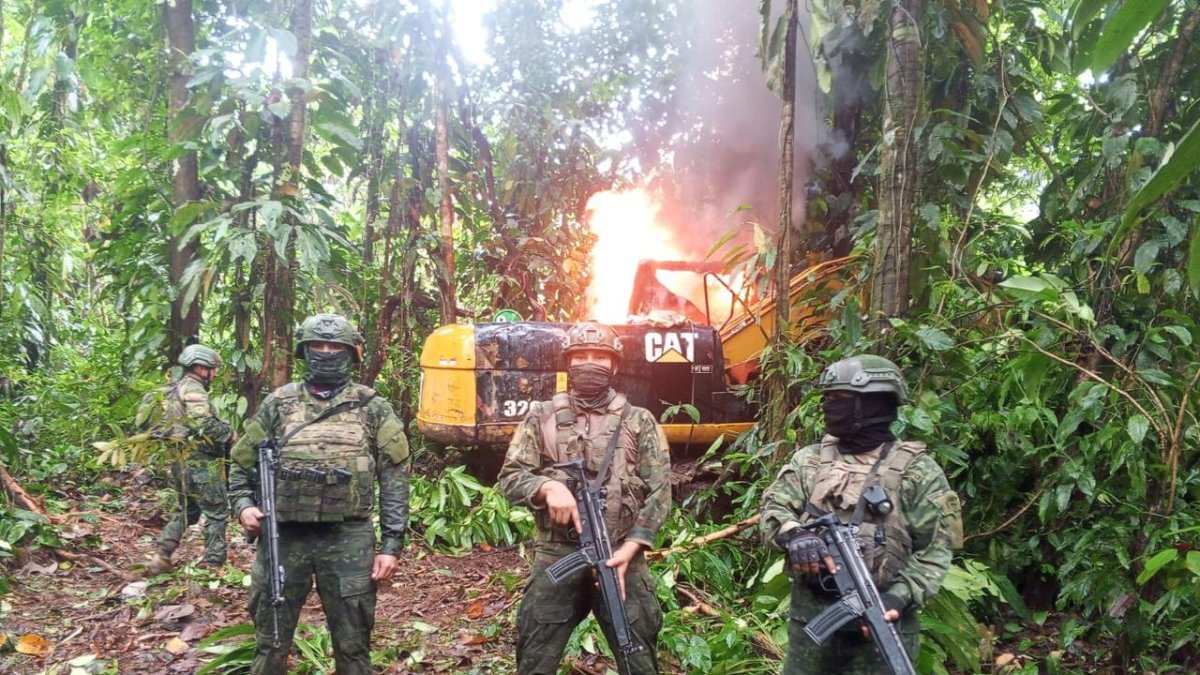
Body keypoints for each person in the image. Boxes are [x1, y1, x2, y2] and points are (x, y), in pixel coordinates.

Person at [227, 313, 411, 675]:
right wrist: (244, 506)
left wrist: (391, 545)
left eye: (334, 346)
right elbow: (241, 464)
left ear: (352, 353)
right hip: (284, 537)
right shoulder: (278, 404)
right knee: (271, 641)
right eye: (317, 345)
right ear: (304, 350)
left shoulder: (372, 407)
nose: (326, 353)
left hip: (348, 538)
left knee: (353, 644)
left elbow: (394, 477)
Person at [760, 354, 963, 674]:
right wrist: (795, 535)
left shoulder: (918, 472)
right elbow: (774, 510)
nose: (827, 406)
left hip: (883, 627)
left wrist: (898, 598)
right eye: (826, 399)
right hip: (811, 623)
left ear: (873, 404)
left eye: (838, 399)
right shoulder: (810, 461)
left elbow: (936, 551)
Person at [498, 322, 671, 675]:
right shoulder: (541, 416)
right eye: (580, 357)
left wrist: (630, 549)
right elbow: (511, 477)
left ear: (614, 365)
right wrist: (548, 488)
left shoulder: (639, 421)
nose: (589, 364)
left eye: (599, 357)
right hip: (558, 552)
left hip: (621, 555)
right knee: (534, 659)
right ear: (568, 363)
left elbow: (660, 492)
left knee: (638, 658)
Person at [137, 344, 234, 575]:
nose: (215, 373)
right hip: (200, 461)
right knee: (217, 511)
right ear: (200, 368)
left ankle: (161, 555)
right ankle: (214, 565)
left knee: (187, 511)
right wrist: (230, 434)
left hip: (179, 460)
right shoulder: (192, 389)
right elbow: (203, 423)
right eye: (212, 368)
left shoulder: (175, 388)